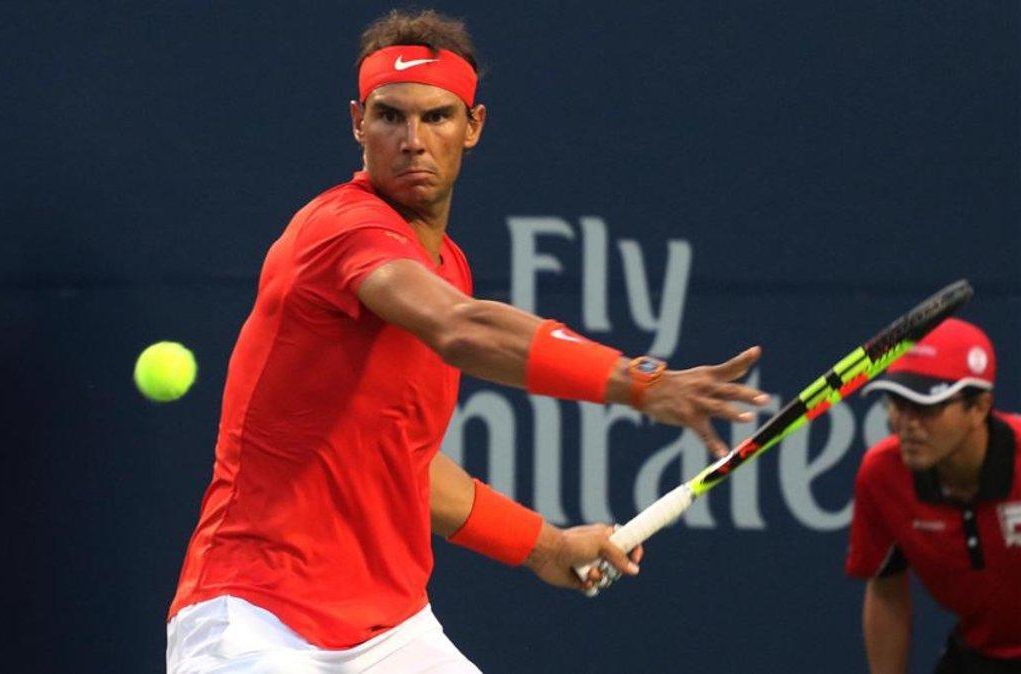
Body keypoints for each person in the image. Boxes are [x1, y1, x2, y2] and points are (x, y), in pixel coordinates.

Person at [167, 10, 769, 673]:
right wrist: (640, 381)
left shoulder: (447, 265)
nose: (413, 140)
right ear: (357, 124)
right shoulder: (341, 228)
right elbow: (462, 328)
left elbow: (407, 466)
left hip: (390, 630)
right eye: (390, 116)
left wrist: (544, 545)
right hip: (257, 618)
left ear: (473, 126)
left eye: (437, 117)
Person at [847, 318, 1021, 674]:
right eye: (897, 402)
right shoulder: (882, 475)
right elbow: (887, 592)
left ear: (979, 407)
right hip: (979, 656)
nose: (906, 423)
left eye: (926, 406)